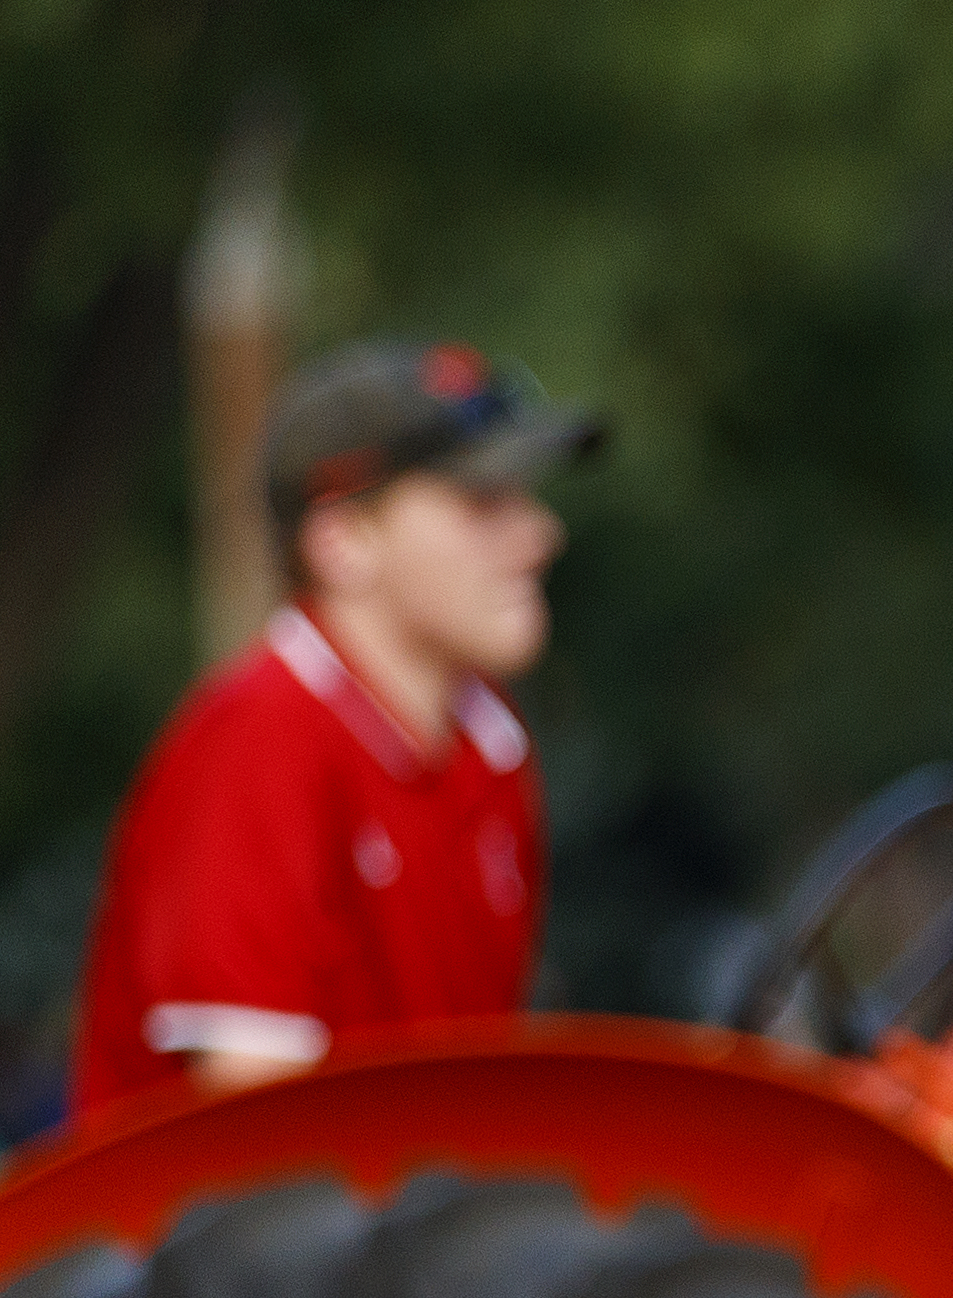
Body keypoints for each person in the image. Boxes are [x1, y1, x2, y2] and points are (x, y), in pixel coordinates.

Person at [67, 342, 601, 1114]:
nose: (538, 535)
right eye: (483, 500)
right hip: (219, 1231)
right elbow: (262, 1139)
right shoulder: (260, 740)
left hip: (405, 1216)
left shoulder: (489, 745)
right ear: (342, 543)